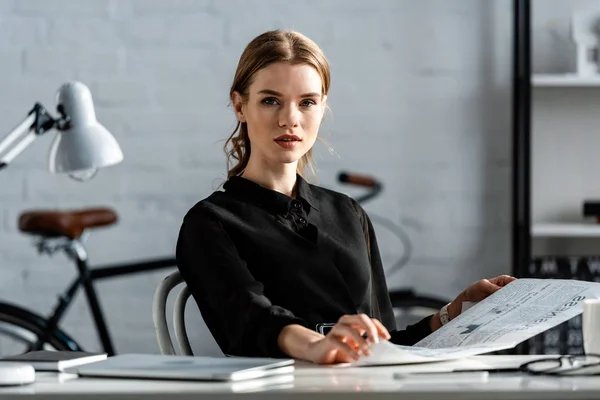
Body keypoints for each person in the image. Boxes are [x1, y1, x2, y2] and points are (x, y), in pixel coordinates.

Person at [176, 29, 516, 365]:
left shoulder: (348, 213)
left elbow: (384, 343)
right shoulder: (211, 222)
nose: (290, 119)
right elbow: (249, 319)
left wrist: (450, 313)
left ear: (322, 108)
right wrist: (316, 346)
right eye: (270, 100)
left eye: (307, 102)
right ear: (239, 105)